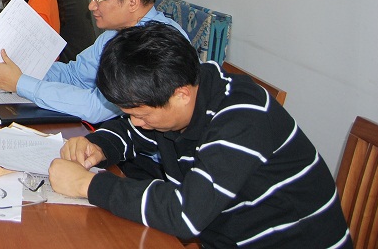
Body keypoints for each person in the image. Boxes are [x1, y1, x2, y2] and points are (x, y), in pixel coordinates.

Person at [49, 23, 351, 249]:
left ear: (181, 95)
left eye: (141, 114)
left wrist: (87, 185)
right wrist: (99, 145)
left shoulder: (243, 117)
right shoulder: (181, 95)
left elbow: (185, 215)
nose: (137, 123)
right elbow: (133, 132)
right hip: (224, 235)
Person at [0, 0, 186, 123]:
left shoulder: (157, 44)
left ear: (132, 2)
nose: (91, 5)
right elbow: (75, 75)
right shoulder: (115, 33)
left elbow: (97, 107)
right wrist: (23, 66)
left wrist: (21, 83)